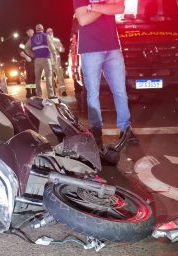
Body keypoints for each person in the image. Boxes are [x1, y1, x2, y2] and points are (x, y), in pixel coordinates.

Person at [73, 0, 135, 146]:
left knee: (120, 91)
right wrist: (108, 7)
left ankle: (125, 129)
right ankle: (96, 130)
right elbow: (83, 19)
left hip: (112, 47)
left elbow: (120, 7)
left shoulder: (91, 4)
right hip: (90, 50)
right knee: (93, 93)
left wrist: (93, 7)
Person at [25, 24, 56, 98]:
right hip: (46, 59)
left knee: (37, 78)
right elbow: (52, 48)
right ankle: (51, 95)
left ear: (36, 30)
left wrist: (32, 54)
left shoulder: (32, 38)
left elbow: (26, 48)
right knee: (48, 77)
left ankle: (39, 95)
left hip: (37, 60)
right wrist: (54, 58)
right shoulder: (46, 36)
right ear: (42, 29)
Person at [46, 27, 67, 97]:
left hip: (57, 62)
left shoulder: (56, 40)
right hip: (49, 62)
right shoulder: (45, 42)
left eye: (51, 31)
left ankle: (63, 91)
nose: (50, 33)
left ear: (53, 32)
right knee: (50, 78)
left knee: (60, 76)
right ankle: (52, 93)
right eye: (48, 32)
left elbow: (63, 50)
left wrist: (59, 48)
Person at [20, 27, 37, 98]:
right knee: (29, 77)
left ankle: (33, 91)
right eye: (30, 31)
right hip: (29, 61)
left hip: (36, 61)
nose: (31, 32)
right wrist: (26, 57)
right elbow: (20, 51)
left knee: (34, 77)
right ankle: (28, 92)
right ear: (27, 32)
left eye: (32, 31)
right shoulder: (24, 41)